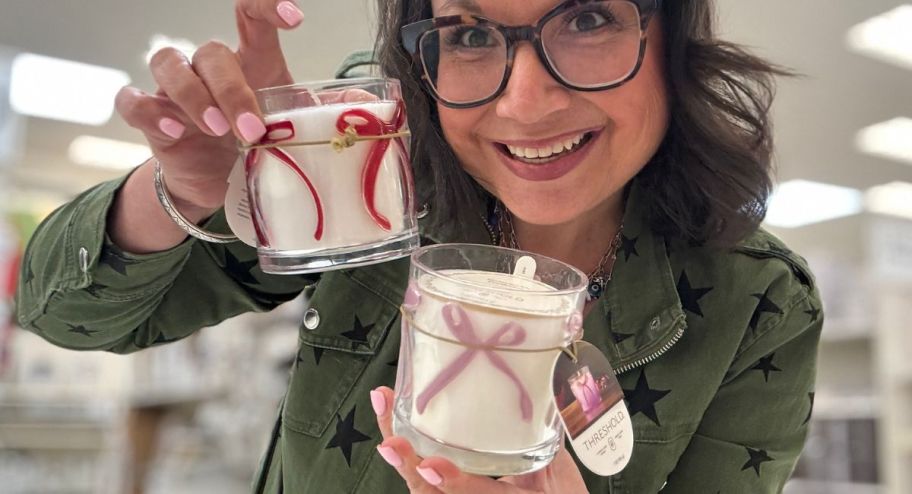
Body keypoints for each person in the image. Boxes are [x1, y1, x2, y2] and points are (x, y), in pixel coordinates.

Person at [15, 0, 824, 492]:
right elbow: (66, 315)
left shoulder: (759, 303)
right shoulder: (369, 161)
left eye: (587, 19)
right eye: (468, 34)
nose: (526, 102)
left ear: (673, 36)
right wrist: (189, 190)